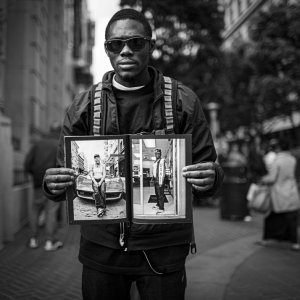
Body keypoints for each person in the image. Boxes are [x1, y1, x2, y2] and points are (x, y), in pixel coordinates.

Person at [43, 8, 223, 300]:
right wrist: (52, 184)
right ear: (107, 50)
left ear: (151, 46)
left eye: (135, 43)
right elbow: (64, 175)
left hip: (163, 252)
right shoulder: (83, 106)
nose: (125, 50)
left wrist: (210, 177)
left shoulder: (182, 101)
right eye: (116, 44)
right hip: (102, 252)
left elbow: (208, 167)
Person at [24, 124, 63, 251]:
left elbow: (27, 164)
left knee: (35, 210)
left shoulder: (38, 144)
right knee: (51, 212)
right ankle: (49, 242)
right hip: (53, 183)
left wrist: (35, 176)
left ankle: (33, 240)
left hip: (37, 183)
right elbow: (62, 165)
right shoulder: (59, 144)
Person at [258, 137, 300, 251]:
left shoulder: (278, 161)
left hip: (279, 193)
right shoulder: (292, 159)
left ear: (279, 147)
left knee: (272, 216)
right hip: (292, 190)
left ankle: (266, 239)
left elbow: (272, 178)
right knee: (291, 218)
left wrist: (262, 179)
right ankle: (295, 242)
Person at [152, 148, 166, 214]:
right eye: (156, 153)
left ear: (160, 154)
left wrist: (161, 181)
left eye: (158, 153)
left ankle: (161, 208)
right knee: (157, 193)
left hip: (159, 180)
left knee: (160, 194)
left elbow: (162, 171)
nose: (157, 154)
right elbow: (155, 171)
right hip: (155, 180)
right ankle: (158, 205)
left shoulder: (162, 161)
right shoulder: (155, 161)